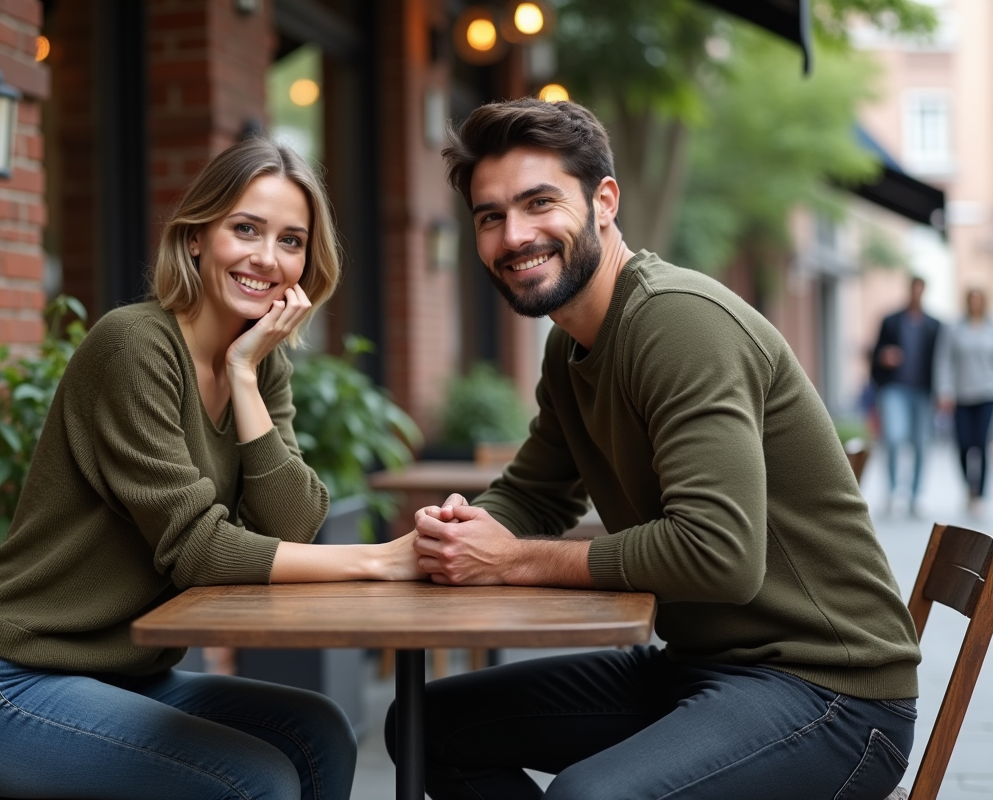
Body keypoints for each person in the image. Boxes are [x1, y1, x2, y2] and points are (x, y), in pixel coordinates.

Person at [385, 99, 920, 800]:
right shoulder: (571, 344)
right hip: (699, 668)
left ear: (604, 200)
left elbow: (718, 554)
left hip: (832, 693)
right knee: (425, 724)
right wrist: (465, 530)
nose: (515, 235)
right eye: (490, 216)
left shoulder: (677, 324)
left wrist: (513, 557)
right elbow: (535, 494)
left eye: (539, 202)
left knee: (589, 796)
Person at [0, 137, 422, 800]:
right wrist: (379, 561)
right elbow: (197, 551)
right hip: (13, 684)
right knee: (258, 781)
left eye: (290, 240)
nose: (266, 258)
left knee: (321, 734)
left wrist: (245, 377)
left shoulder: (256, 357)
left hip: (123, 675)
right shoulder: (134, 346)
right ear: (197, 238)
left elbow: (293, 522)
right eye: (245, 229)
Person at [871, 275, 941, 515]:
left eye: (921, 290)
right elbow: (875, 353)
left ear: (924, 292)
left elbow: (941, 362)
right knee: (893, 437)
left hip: (923, 391)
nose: (916, 294)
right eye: (913, 290)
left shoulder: (934, 325)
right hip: (894, 389)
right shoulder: (891, 321)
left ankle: (915, 496)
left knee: (922, 443)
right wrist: (884, 356)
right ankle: (892, 493)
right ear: (909, 290)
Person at [934, 287, 993, 516]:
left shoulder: (990, 326)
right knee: (964, 445)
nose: (975, 303)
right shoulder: (954, 328)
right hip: (960, 395)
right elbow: (943, 361)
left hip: (986, 394)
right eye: (972, 299)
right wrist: (944, 391)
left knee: (980, 444)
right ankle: (968, 489)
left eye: (978, 299)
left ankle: (979, 495)